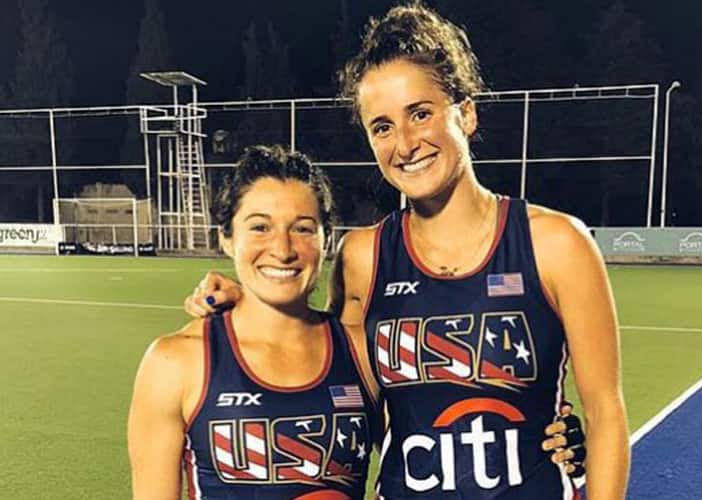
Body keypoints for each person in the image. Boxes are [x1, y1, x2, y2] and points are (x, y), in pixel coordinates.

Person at [186, 3, 628, 499]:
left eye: (420, 114)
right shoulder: (363, 257)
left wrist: (572, 441)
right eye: (382, 126)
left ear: (466, 113)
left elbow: (606, 413)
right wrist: (248, 302)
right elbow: (331, 378)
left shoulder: (556, 244)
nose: (405, 144)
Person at [128, 145, 379, 500]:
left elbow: (414, 470)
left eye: (303, 229)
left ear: (328, 238)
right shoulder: (175, 362)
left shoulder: (363, 352)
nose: (283, 249)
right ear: (226, 239)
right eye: (260, 227)